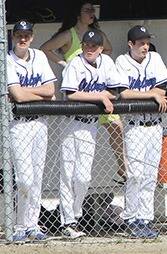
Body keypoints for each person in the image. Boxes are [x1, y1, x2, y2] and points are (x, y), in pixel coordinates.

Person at [40, 1, 127, 183]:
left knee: (116, 125)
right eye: (87, 10)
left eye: (93, 10)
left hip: (98, 90)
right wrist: (64, 63)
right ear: (78, 14)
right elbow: (44, 49)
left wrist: (99, 64)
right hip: (77, 92)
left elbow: (108, 49)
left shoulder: (98, 35)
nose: (91, 13)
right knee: (77, 143)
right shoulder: (69, 34)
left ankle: (122, 165)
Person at [59, 29, 125, 239]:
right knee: (68, 174)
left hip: (91, 125)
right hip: (71, 124)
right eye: (86, 45)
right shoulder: (75, 63)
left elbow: (115, 91)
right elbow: (71, 94)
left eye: (94, 46)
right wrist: (99, 96)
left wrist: (102, 96)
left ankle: (75, 214)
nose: (89, 48)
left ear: (100, 48)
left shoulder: (106, 61)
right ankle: (67, 221)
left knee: (83, 177)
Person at [114, 25, 167, 239]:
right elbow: (124, 93)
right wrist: (151, 95)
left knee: (149, 176)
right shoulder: (122, 61)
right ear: (131, 44)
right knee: (135, 174)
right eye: (141, 43)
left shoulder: (155, 58)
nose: (145, 46)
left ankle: (145, 219)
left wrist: (150, 94)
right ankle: (131, 218)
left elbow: (162, 89)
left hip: (155, 126)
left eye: (147, 42)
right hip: (134, 126)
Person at [7, 20, 56, 242]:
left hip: (40, 123)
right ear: (13, 36)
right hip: (18, 124)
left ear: (32, 37)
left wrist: (27, 91)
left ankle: (32, 225)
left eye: (26, 35)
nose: (23, 38)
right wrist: (39, 94)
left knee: (37, 177)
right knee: (24, 178)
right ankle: (18, 225)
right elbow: (18, 97)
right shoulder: (7, 59)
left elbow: (51, 90)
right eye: (19, 35)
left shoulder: (39, 56)